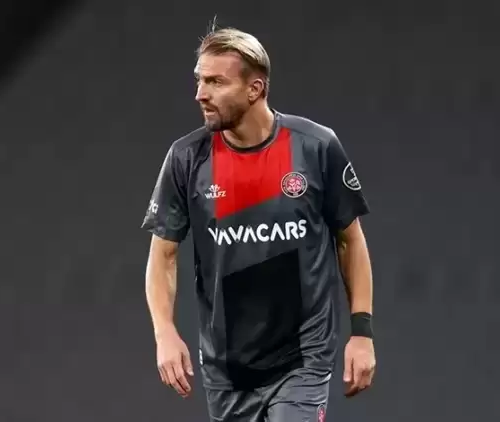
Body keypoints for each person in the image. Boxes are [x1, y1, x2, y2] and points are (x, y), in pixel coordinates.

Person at [141, 25, 376, 422]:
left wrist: (362, 332)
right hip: (227, 367)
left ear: (255, 89)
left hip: (303, 357)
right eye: (199, 80)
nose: (200, 94)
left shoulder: (315, 146)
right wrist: (164, 332)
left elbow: (349, 241)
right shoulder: (186, 159)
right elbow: (162, 255)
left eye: (216, 82)